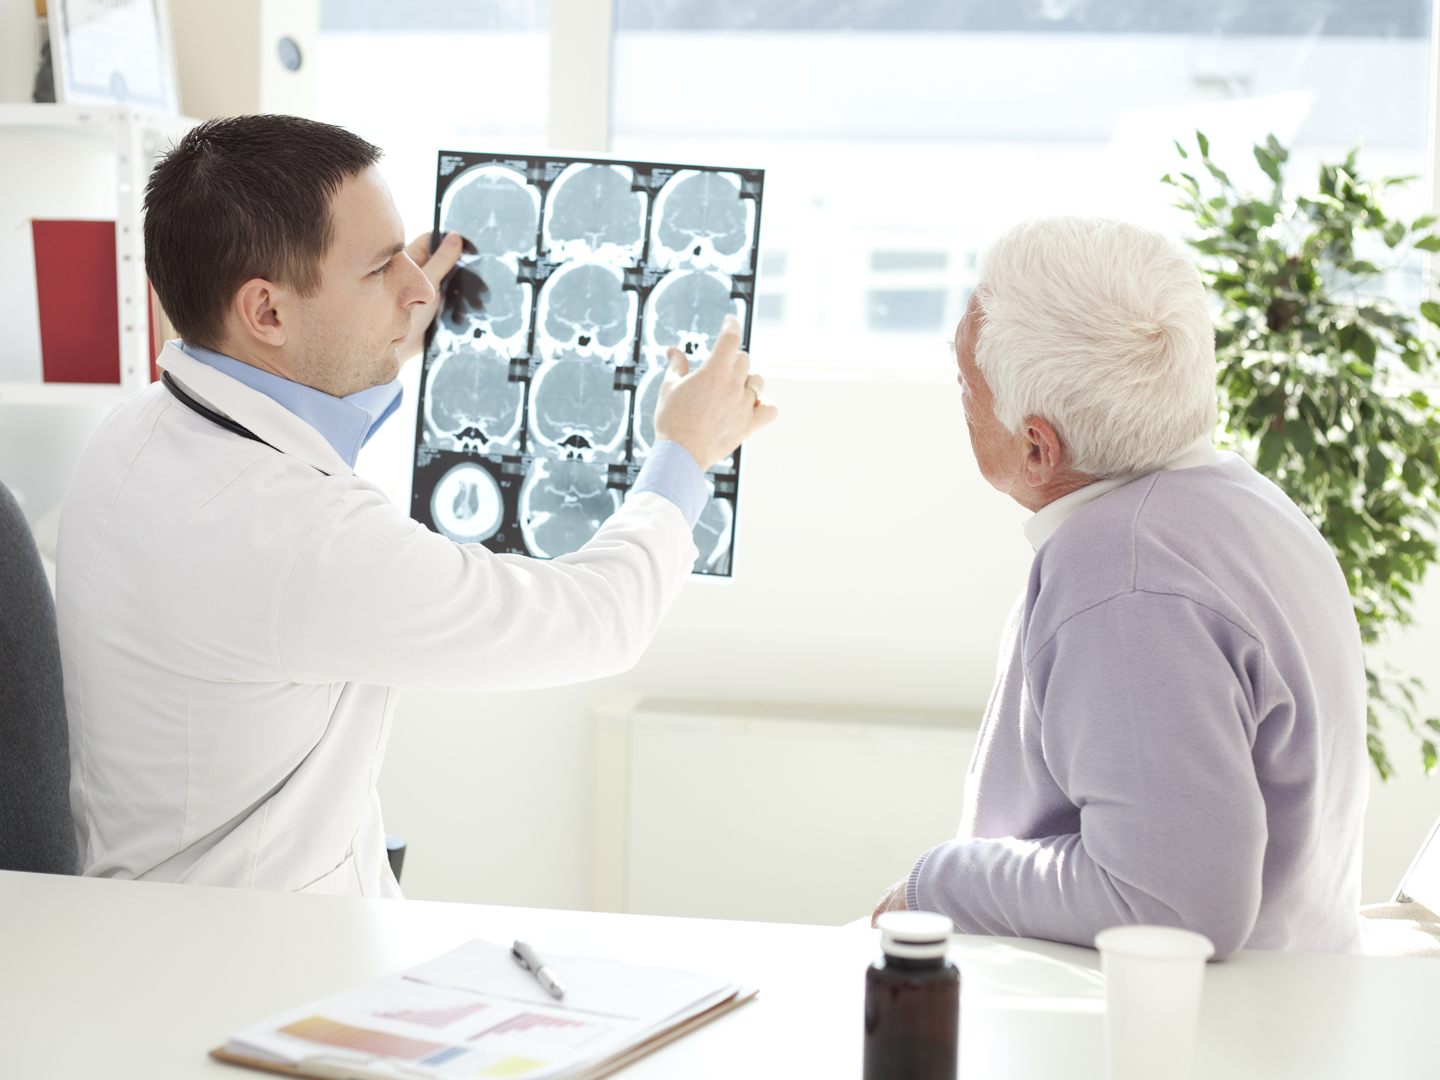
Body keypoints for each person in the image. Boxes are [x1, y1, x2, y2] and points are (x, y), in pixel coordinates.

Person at [56, 115, 776, 896]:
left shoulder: (131, 434)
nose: (419, 284)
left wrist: (380, 325)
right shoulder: (304, 541)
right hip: (258, 960)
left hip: (162, 913)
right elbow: (599, 621)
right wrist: (687, 450)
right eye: (379, 270)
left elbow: (287, 468)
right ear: (267, 313)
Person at [873, 216, 1366, 957]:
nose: (960, 395)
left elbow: (1173, 904)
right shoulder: (1243, 502)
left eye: (963, 381)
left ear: (1038, 446)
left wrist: (935, 886)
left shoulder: (1126, 576)